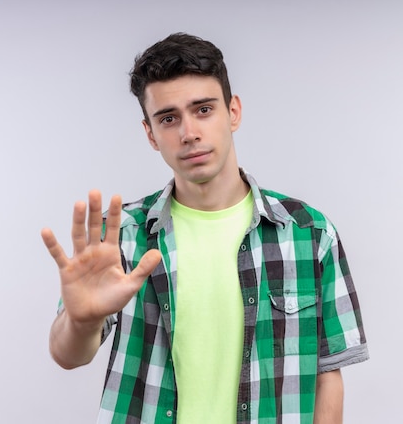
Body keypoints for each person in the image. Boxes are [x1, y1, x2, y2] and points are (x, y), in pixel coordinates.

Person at [41, 33, 369, 424]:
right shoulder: (122, 236)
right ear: (150, 134)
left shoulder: (308, 232)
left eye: (203, 110)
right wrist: (81, 320)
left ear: (233, 112)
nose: (188, 133)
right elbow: (67, 355)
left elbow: (327, 374)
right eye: (168, 118)